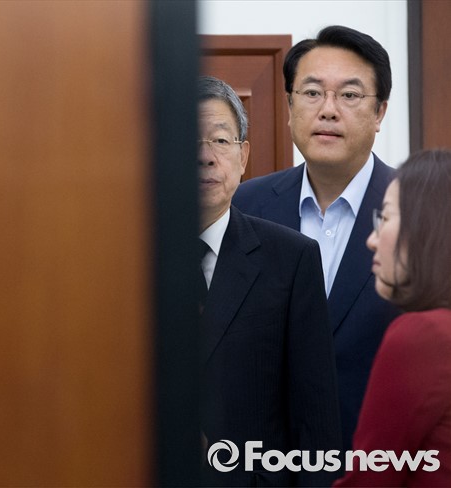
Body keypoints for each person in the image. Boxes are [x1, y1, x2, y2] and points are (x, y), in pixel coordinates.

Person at [232, 25, 400, 452]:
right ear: (289, 107)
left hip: (379, 464)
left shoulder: (421, 212)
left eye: (349, 95)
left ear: (379, 112)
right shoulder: (245, 206)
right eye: (311, 93)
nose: (328, 110)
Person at [197, 76, 341, 487]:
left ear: (243, 156)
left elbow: (316, 425)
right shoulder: (124, 261)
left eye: (220, 141)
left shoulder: (291, 259)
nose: (206, 157)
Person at [334, 149, 451, 486]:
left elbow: (370, 479)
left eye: (384, 218)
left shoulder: (422, 335)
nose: (372, 240)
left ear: (425, 228)